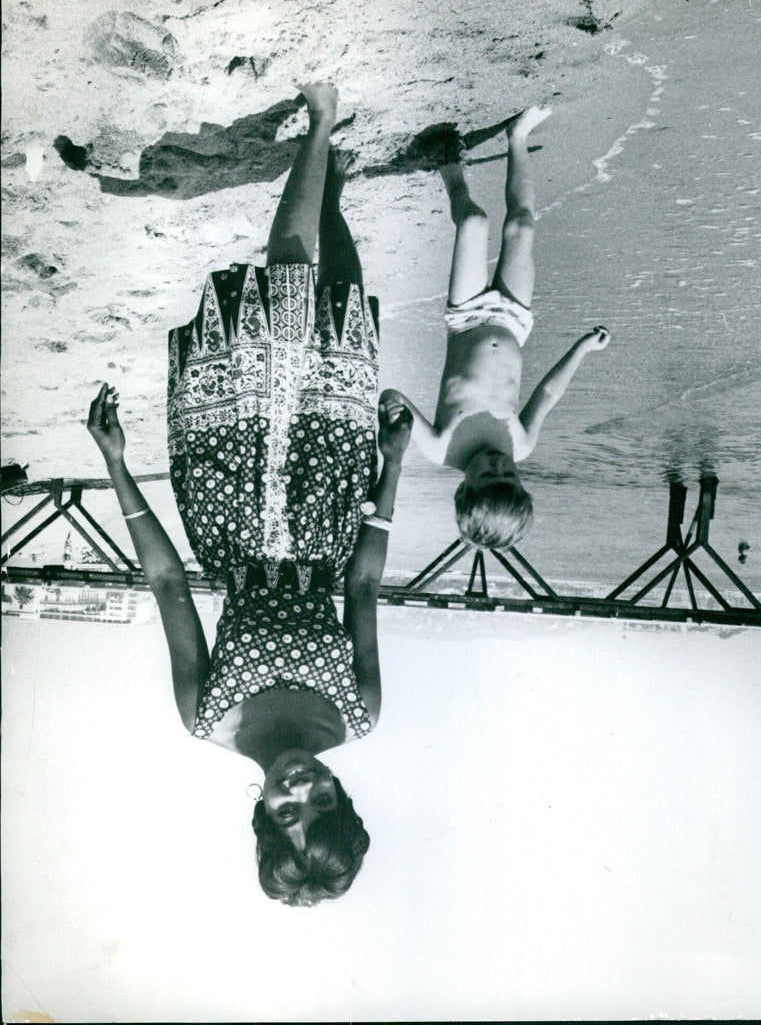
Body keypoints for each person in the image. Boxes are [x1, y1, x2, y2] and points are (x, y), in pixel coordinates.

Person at [87, 83, 412, 906]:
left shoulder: (205, 717)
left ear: (263, 817)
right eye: (323, 803)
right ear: (342, 798)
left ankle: (321, 123)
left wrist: (117, 464)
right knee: (339, 311)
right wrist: (393, 466)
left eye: (288, 810)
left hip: (228, 496)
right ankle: (326, 182)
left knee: (288, 292)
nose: (302, 788)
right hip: (332, 498)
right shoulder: (361, 713)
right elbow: (363, 587)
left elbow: (168, 584)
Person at [381, 104, 610, 550]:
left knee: (474, 221)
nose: (499, 464)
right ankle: (516, 137)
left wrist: (391, 409)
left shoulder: (441, 448)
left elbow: (393, 397)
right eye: (510, 475)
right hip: (514, 320)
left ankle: (448, 165)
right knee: (521, 226)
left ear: (463, 489)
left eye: (489, 475)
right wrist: (583, 348)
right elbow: (548, 394)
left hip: (466, 317)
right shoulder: (519, 445)